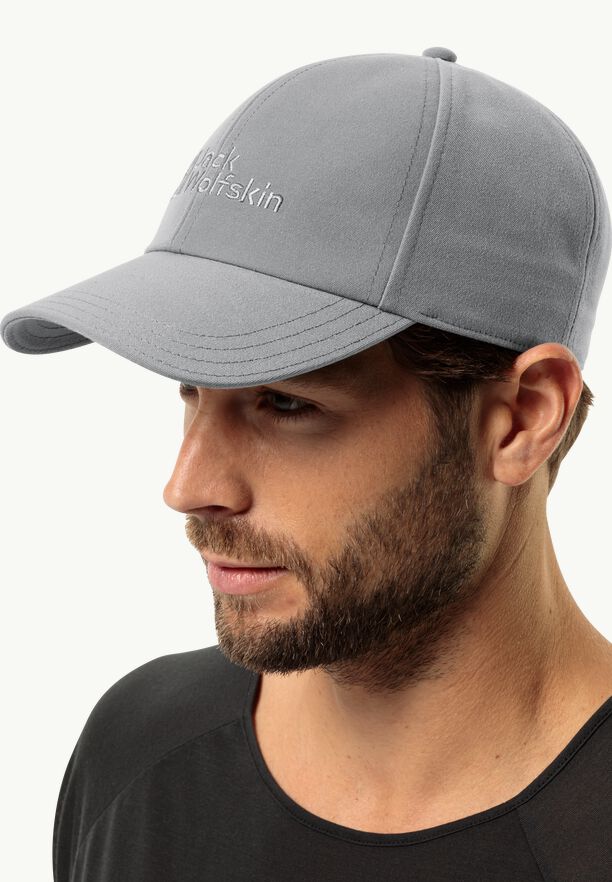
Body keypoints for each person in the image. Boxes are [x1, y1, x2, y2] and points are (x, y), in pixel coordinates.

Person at [2, 46, 611, 881]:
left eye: (285, 403)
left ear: (522, 418)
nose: (188, 488)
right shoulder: (138, 756)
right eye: (191, 391)